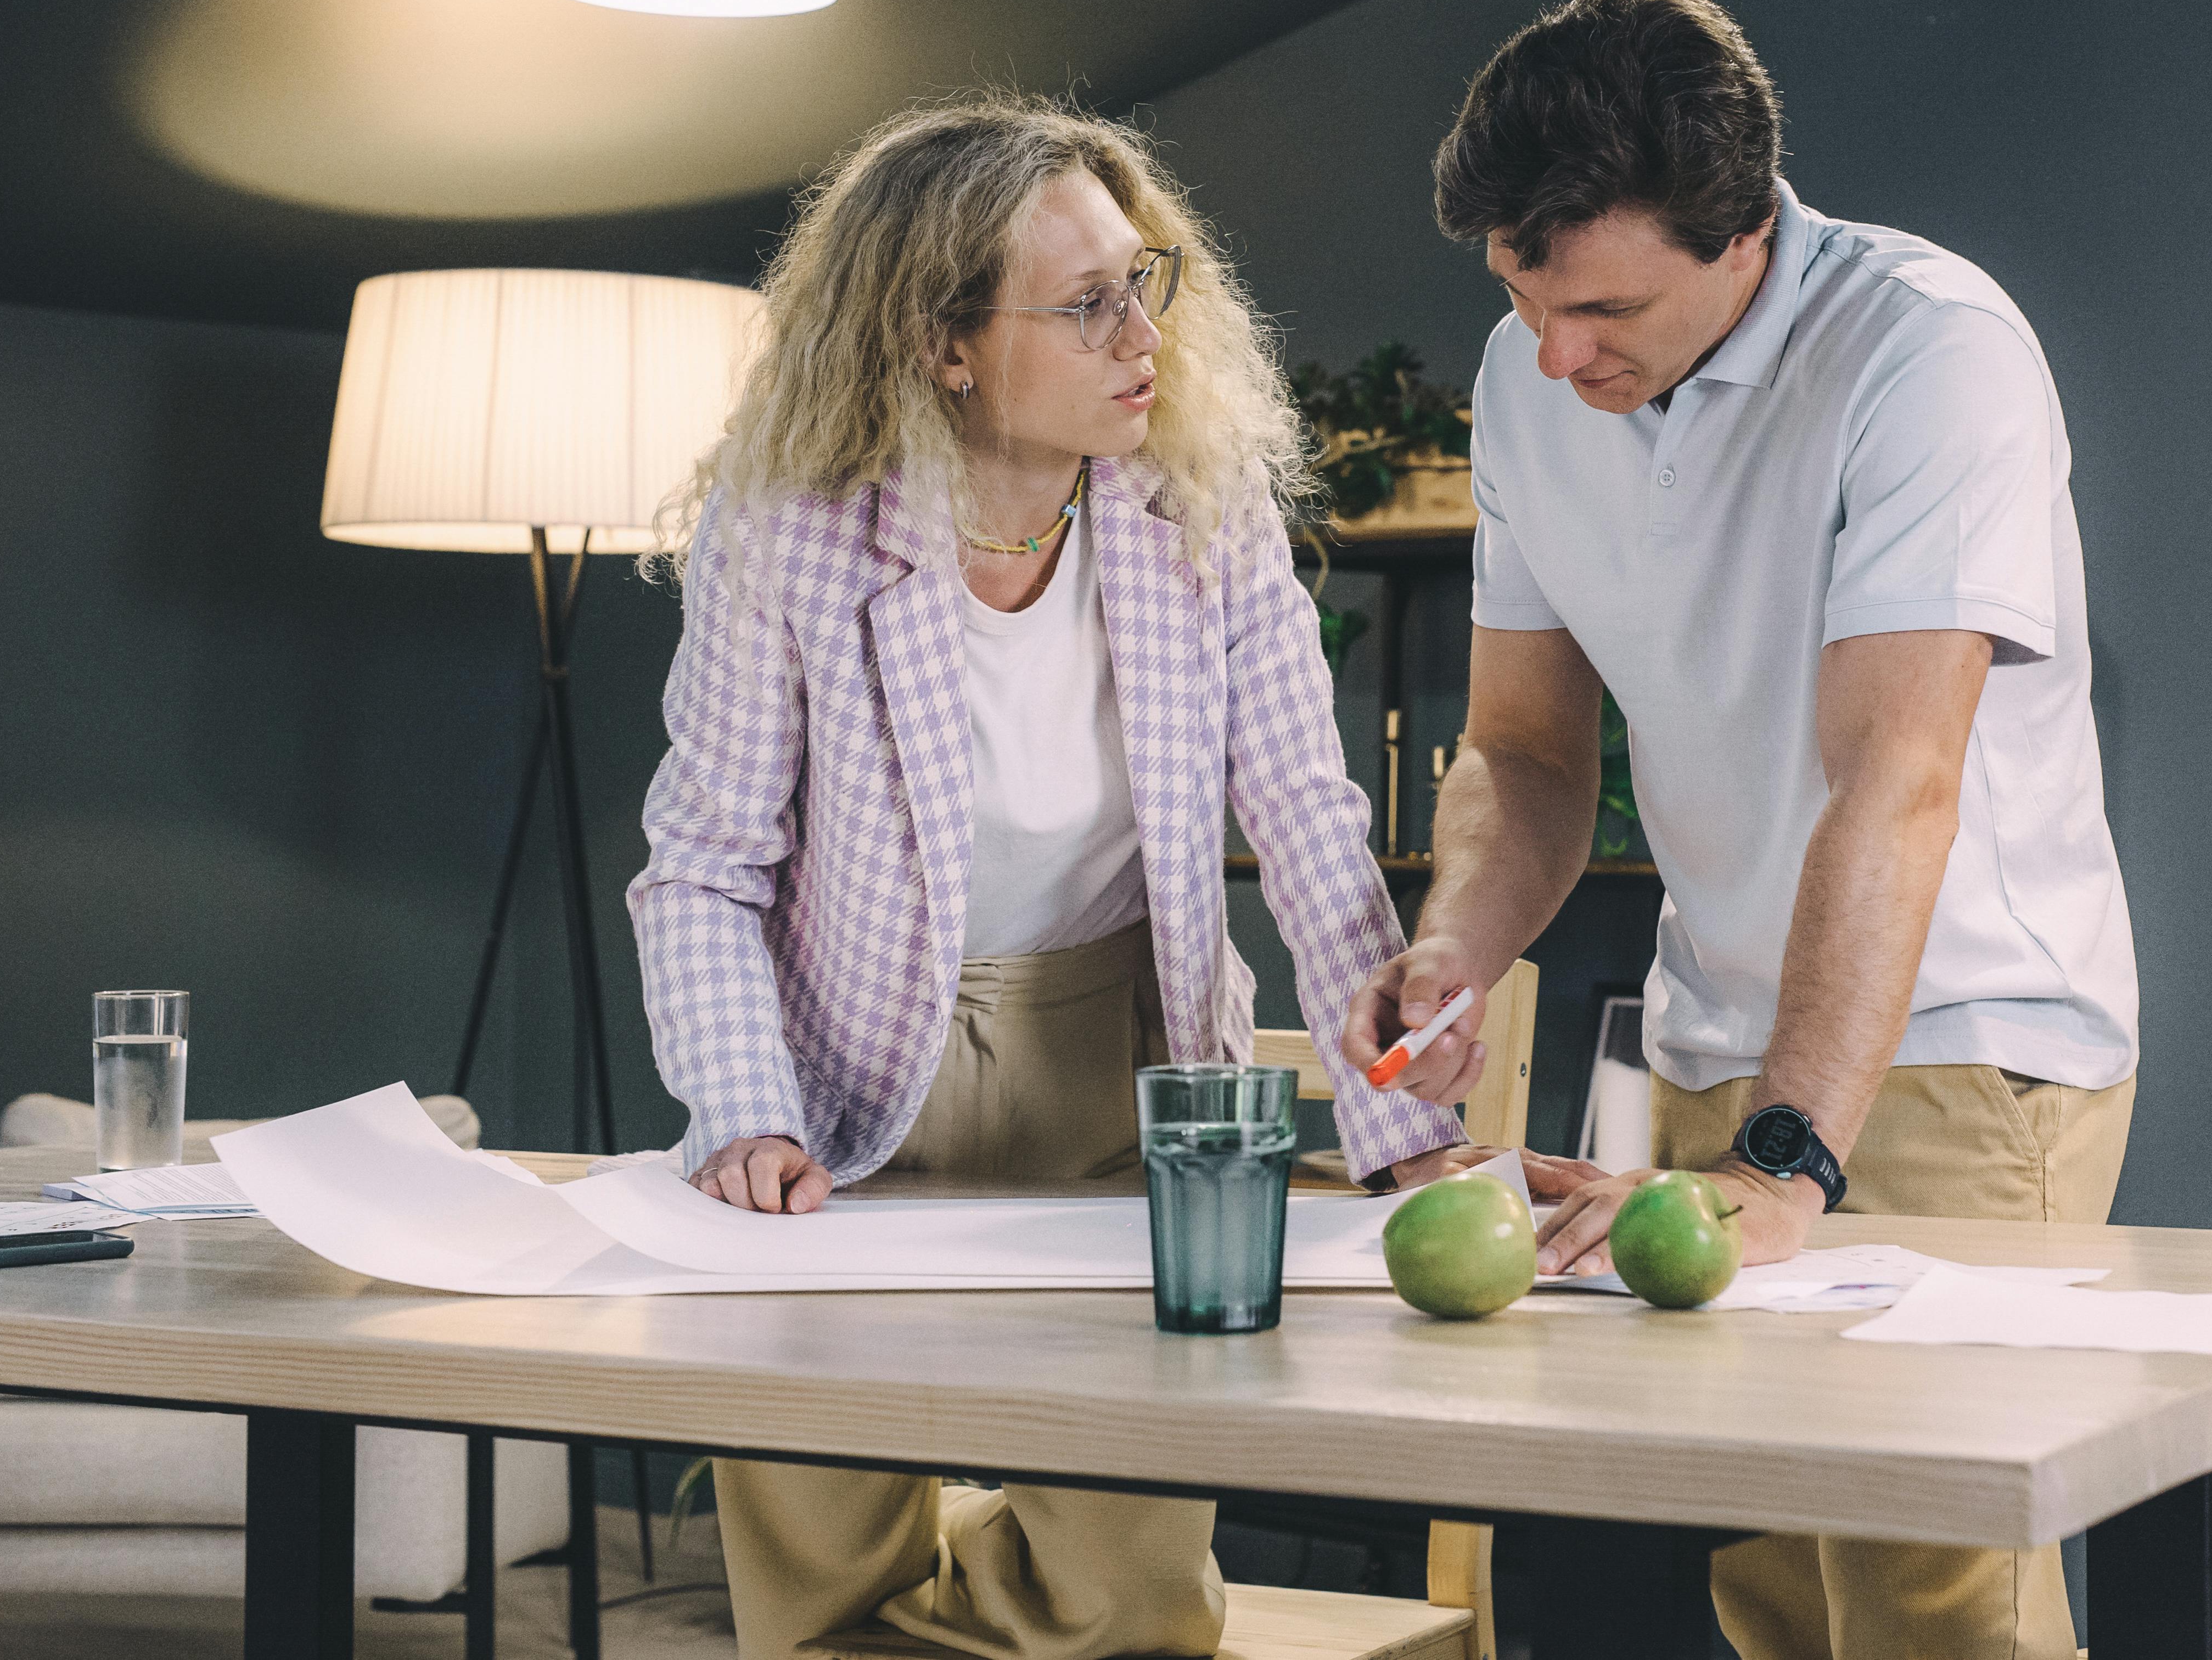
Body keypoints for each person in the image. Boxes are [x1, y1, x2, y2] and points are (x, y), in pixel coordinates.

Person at [626, 97, 1554, 1660]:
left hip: (1118, 1064)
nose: (1142, 334)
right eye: (1085, 303)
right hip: (841, 1079)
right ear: (942, 344)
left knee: (1130, 1601)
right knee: (814, 1606)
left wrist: (1406, 1133)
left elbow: (1309, 817)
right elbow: (706, 865)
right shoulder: (785, 531)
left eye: (1147, 281)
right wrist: (745, 1113)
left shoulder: (1195, 508)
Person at [1343, 0, 2140, 1660]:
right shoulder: (1532, 370)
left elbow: (1899, 774)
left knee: (1934, 1602)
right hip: (1722, 1044)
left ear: (1744, 235)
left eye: (1606, 307)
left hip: (1953, 1044)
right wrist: (1456, 946)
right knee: (1774, 1590)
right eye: (1522, 293)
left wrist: (1790, 1151)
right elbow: (1525, 749)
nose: (1561, 355)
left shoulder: (1932, 352)